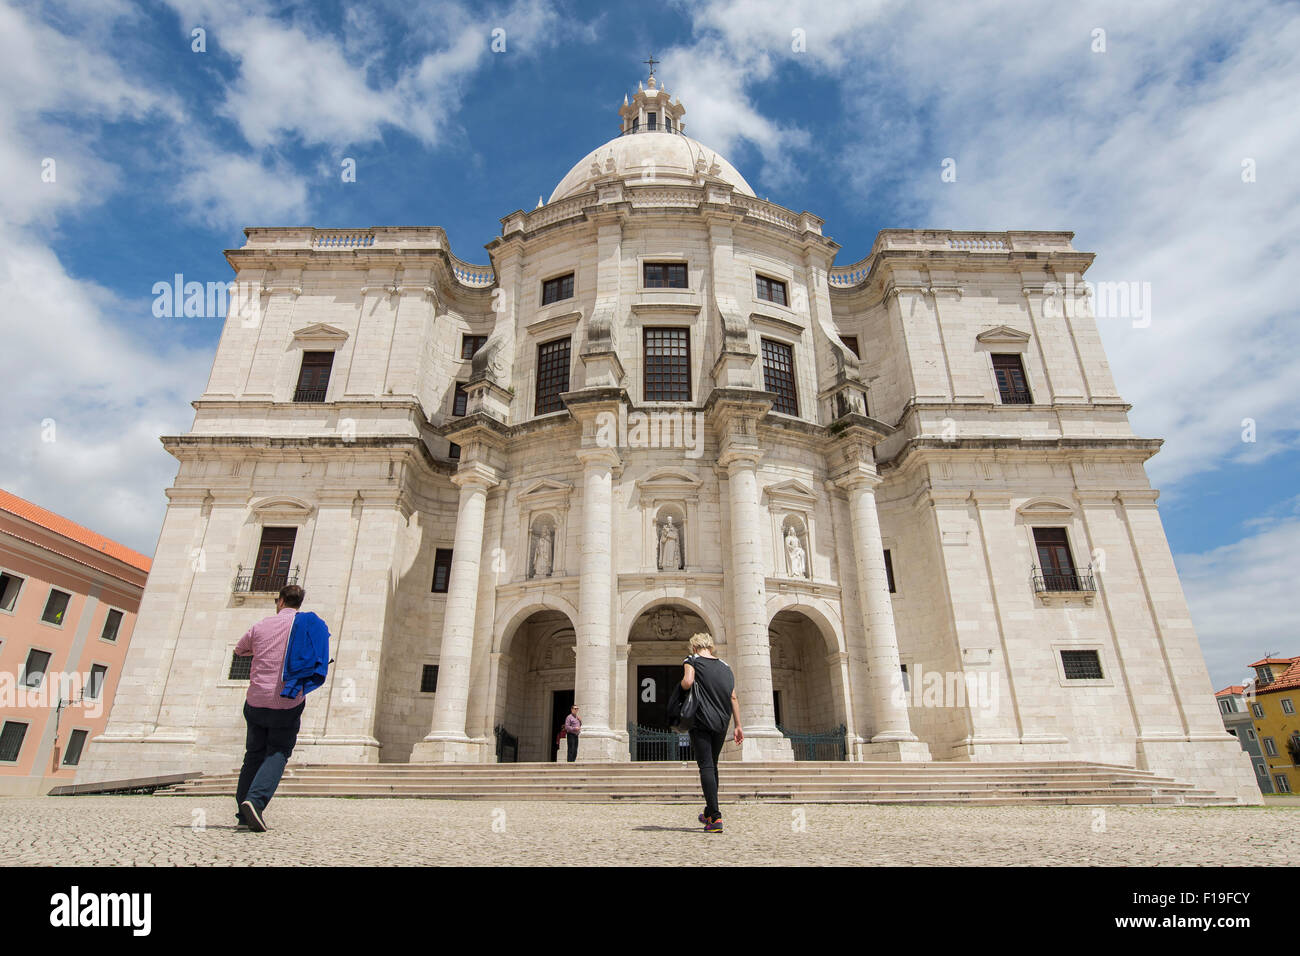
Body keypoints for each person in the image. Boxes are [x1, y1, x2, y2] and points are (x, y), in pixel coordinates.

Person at [233, 584, 308, 832]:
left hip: (256, 700)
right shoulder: (305, 627)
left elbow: (239, 649)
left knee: (253, 754)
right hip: (287, 702)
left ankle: (243, 814)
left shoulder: (261, 625)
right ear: (299, 603)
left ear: (281, 601)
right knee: (277, 752)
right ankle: (254, 802)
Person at [680, 632, 742, 833]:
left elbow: (688, 682)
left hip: (701, 719)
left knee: (705, 765)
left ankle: (715, 818)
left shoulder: (692, 660)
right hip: (722, 721)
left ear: (695, 647)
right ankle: (709, 811)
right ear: (711, 647)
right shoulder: (726, 666)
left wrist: (679, 690)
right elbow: (733, 697)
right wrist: (738, 726)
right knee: (712, 765)